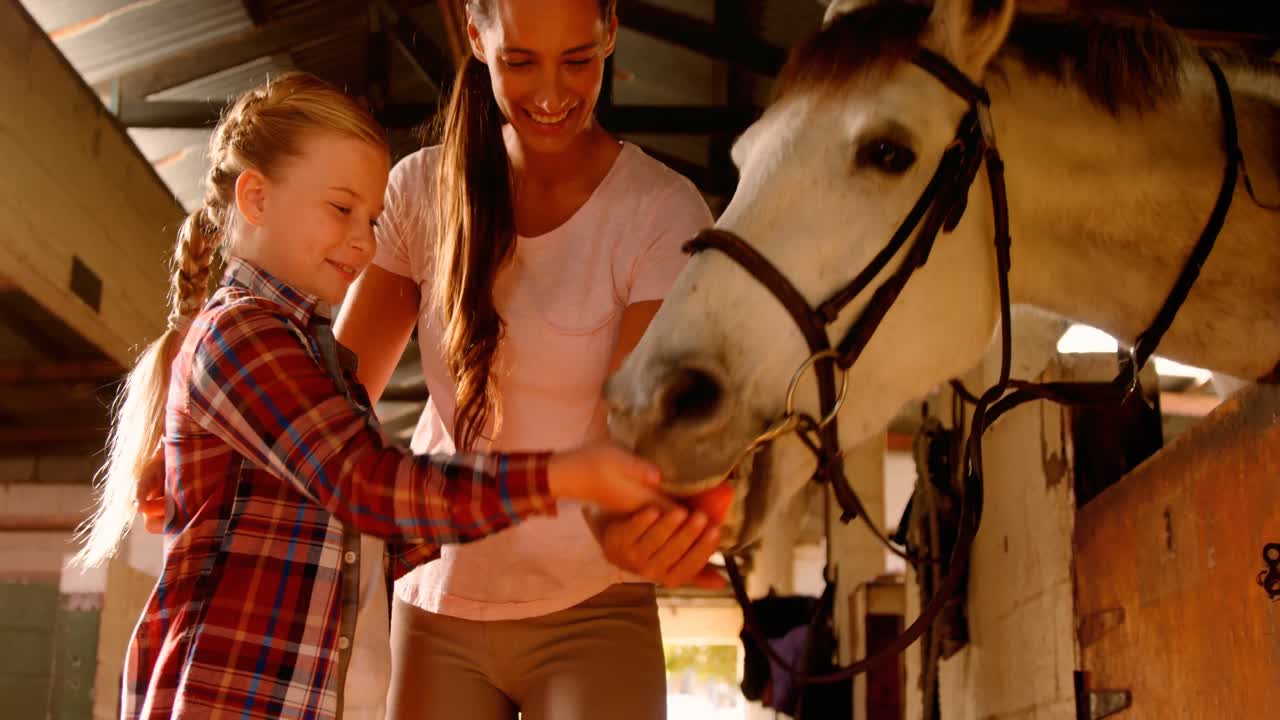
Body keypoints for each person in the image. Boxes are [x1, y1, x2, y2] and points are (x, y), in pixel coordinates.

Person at [73, 71, 668, 720]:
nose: (365, 240)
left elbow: (377, 528)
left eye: (374, 217)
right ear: (256, 198)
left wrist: (510, 488)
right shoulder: (242, 334)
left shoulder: (314, 357)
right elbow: (370, 488)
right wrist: (561, 475)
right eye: (340, 208)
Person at [330, 0, 725, 717]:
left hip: (592, 600)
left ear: (610, 30)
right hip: (438, 603)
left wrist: (633, 526)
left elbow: (626, 434)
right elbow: (332, 407)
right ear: (477, 39)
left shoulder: (662, 212)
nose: (551, 94)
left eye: (577, 59)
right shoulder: (419, 190)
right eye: (520, 62)